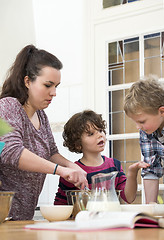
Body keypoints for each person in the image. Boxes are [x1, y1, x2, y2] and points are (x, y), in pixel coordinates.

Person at [0, 44, 88, 220]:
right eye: (48, 85)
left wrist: (71, 166)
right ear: (27, 81)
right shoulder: (7, 106)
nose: (54, 93)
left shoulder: (41, 115)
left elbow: (51, 153)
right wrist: (60, 171)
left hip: (23, 215)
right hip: (4, 216)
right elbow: (11, 151)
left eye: (56, 86)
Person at [54, 110, 149, 205]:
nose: (100, 135)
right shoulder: (72, 172)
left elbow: (129, 198)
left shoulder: (114, 165)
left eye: (100, 130)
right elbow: (60, 205)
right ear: (78, 144)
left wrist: (132, 173)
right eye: (91, 134)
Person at [124, 75, 164, 203]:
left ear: (161, 111)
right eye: (135, 122)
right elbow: (151, 168)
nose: (137, 127)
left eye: (141, 121)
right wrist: (150, 208)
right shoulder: (146, 132)